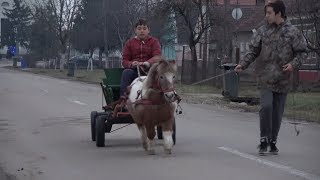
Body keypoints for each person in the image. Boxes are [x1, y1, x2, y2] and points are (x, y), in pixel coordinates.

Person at [234, 0, 308, 155]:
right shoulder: (262, 31)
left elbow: (302, 52)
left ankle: (273, 141)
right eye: (265, 13)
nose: (266, 16)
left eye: (269, 13)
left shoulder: (293, 32)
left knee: (277, 112)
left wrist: (293, 64)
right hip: (265, 77)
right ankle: (263, 139)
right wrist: (243, 64)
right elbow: (253, 51)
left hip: (283, 79)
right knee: (266, 107)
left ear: (279, 13)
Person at [120, 19, 161, 98]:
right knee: (126, 73)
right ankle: (123, 98)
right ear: (135, 30)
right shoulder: (129, 43)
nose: (142, 31)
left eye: (144, 28)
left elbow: (157, 57)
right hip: (134, 72)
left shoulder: (154, 42)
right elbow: (124, 60)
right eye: (139, 28)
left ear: (148, 30)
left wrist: (147, 63)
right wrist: (131, 64)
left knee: (164, 76)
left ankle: (167, 97)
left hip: (151, 71)